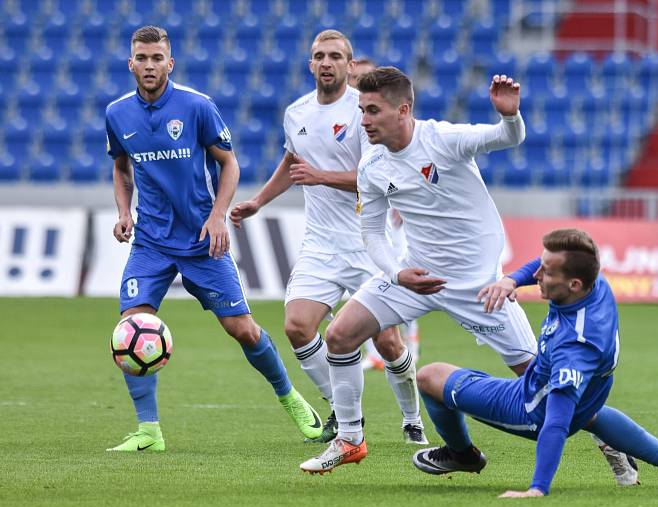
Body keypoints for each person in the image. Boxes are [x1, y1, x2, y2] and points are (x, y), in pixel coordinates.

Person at [299, 67, 540, 473]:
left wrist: (510, 116)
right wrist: (396, 274)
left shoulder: (442, 140)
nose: (365, 120)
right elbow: (372, 234)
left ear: (403, 110)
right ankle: (350, 439)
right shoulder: (372, 164)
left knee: (542, 384)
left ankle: (609, 442)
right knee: (340, 335)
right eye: (361, 110)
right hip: (414, 276)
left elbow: (506, 138)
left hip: (477, 286)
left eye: (373, 110)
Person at [104, 26, 323, 452]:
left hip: (203, 240)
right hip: (150, 241)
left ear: (171, 63)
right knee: (132, 328)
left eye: (157, 58)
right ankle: (149, 431)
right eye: (142, 59)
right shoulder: (117, 113)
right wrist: (122, 212)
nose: (150, 66)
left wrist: (218, 215)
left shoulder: (196, 106)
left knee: (241, 328)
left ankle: (292, 399)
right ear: (131, 63)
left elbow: (229, 163)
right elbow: (120, 166)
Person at [411, 228, 658, 497]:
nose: (536, 276)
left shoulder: (574, 346)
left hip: (530, 409)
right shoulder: (596, 285)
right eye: (540, 267)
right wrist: (511, 280)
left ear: (573, 284)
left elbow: (555, 423)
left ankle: (462, 455)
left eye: (546, 273)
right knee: (590, 415)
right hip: (588, 397)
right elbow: (545, 266)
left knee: (429, 376)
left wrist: (538, 488)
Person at [230, 31, 427, 444]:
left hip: (367, 243)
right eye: (319, 56)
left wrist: (320, 177)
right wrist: (259, 202)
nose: (326, 63)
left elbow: (376, 179)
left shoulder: (363, 114)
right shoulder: (297, 112)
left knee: (388, 341)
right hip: (320, 244)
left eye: (336, 56)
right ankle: (341, 411)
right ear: (310, 64)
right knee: (298, 326)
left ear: (350, 66)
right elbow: (292, 161)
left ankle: (412, 418)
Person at [348, 57, 421, 372]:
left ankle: (411, 343)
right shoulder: (355, 121)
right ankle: (375, 351)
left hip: (389, 215)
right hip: (361, 213)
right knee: (369, 283)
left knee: (403, 277)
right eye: (356, 79)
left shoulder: (388, 122)